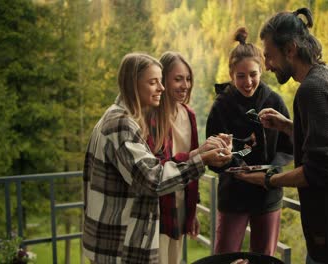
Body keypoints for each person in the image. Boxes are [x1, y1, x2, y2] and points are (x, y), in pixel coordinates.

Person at [235, 8, 328, 264]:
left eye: (270, 56)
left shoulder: (312, 90)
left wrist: (269, 179)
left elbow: (322, 171)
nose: (269, 66)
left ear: (290, 49)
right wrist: (288, 126)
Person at [82, 52, 232, 264]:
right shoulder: (120, 125)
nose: (162, 88)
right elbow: (153, 179)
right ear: (133, 85)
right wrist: (202, 160)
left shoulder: (120, 117)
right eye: (153, 82)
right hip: (117, 244)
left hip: (119, 239)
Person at [206, 27, 294, 256]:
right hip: (232, 194)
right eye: (241, 76)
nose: (248, 82)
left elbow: (289, 147)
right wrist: (231, 165)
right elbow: (210, 153)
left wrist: (269, 172)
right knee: (225, 255)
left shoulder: (274, 100)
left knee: (264, 256)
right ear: (231, 75)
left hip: (267, 194)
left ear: (262, 70)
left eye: (253, 75)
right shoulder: (222, 106)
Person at [147, 51, 200, 264]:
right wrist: (198, 155)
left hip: (181, 205)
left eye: (188, 79)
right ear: (163, 81)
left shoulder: (189, 114)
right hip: (157, 209)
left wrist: (193, 211)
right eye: (178, 79)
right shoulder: (151, 116)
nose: (185, 85)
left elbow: (194, 170)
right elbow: (156, 167)